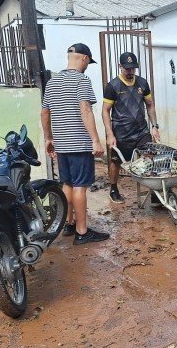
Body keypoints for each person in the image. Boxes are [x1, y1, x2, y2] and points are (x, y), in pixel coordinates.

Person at [41, 43, 109, 245]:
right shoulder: (82, 80)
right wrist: (96, 140)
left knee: (67, 184)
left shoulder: (52, 83)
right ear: (84, 58)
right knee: (80, 186)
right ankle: (82, 231)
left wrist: (49, 137)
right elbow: (85, 109)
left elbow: (45, 112)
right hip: (79, 144)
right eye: (89, 62)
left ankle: (69, 223)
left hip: (61, 144)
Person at [102, 52, 161, 203]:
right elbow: (105, 111)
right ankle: (113, 189)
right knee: (116, 162)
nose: (130, 72)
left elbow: (150, 105)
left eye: (133, 68)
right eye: (127, 69)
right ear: (120, 67)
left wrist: (154, 126)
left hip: (141, 131)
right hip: (121, 133)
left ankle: (154, 191)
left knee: (150, 157)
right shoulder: (112, 86)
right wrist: (110, 134)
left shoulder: (142, 83)